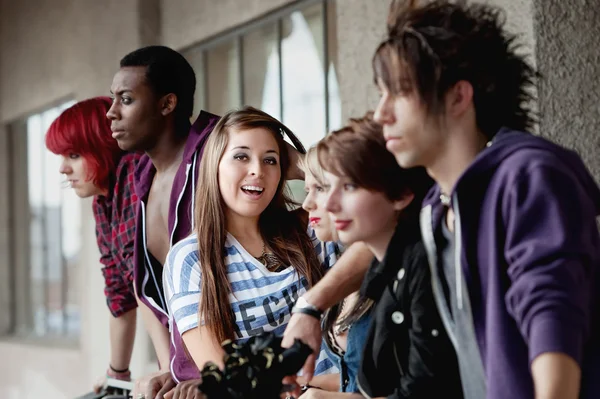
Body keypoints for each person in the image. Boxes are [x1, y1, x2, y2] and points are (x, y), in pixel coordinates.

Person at [369, 1, 600, 398]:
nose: (380, 114)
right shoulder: (436, 209)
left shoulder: (527, 175)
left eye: (401, 92)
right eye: (381, 94)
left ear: (459, 97)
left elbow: (551, 308)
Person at [162, 106, 339, 396]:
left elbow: (378, 193)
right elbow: (227, 381)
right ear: (214, 165)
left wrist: (304, 164)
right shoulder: (192, 259)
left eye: (270, 160)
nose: (257, 170)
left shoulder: (314, 227)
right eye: (241, 156)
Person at [302, 113, 461, 399]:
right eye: (330, 186)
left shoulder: (425, 268)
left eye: (349, 186)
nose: (329, 203)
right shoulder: (385, 269)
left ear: (401, 195)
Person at [106, 45, 221, 398]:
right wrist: (170, 367)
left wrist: (218, 373)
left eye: (125, 99)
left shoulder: (219, 152)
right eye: (113, 99)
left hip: (244, 375)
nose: (111, 113)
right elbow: (149, 291)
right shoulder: (140, 176)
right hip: (191, 381)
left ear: (167, 104)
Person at [45, 97, 140, 393]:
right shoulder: (102, 203)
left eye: (73, 155)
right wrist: (117, 374)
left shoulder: (135, 175)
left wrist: (171, 370)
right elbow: (120, 294)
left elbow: (153, 284)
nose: (63, 169)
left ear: (102, 147)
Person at [296, 146, 372, 397]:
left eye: (321, 188)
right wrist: (307, 384)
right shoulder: (338, 261)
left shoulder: (393, 275)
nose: (307, 204)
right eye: (308, 190)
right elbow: (356, 375)